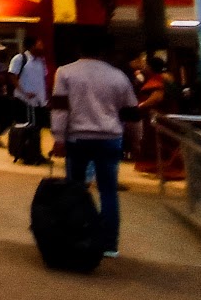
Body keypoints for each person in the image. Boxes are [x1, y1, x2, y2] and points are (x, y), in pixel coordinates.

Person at [49, 27, 143, 259]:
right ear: (104, 51)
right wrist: (135, 141)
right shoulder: (118, 76)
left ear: (79, 49)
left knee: (75, 190)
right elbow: (132, 114)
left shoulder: (65, 73)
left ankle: (75, 236)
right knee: (109, 192)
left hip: (77, 140)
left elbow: (60, 109)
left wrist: (58, 139)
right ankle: (109, 244)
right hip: (110, 140)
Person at [8, 35, 50, 165]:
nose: (42, 46)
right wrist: (24, 92)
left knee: (37, 128)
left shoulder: (41, 61)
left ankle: (36, 153)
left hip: (39, 101)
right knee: (28, 128)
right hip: (25, 101)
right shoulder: (20, 59)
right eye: (39, 43)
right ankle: (28, 154)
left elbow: (43, 79)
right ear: (32, 45)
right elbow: (12, 76)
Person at [135, 54, 178, 171]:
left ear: (150, 67)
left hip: (157, 116)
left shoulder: (158, 79)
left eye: (146, 65)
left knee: (157, 143)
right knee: (167, 141)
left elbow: (157, 97)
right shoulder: (169, 77)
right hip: (168, 115)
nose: (144, 68)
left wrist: (141, 105)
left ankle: (158, 167)